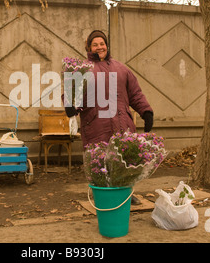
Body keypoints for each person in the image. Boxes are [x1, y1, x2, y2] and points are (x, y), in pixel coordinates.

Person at [64, 30, 154, 205]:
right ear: (89, 47)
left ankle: (126, 194)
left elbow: (135, 94)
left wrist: (146, 112)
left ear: (107, 45)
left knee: (123, 162)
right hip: (97, 124)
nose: (99, 47)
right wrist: (70, 105)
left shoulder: (122, 69)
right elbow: (73, 93)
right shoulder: (83, 69)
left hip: (122, 124)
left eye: (102, 43)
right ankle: (104, 197)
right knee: (101, 163)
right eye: (95, 44)